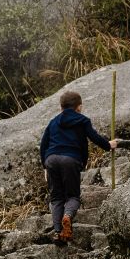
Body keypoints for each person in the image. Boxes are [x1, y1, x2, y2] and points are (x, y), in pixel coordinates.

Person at [39, 89, 117, 242]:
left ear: (61, 107)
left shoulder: (53, 121)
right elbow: (94, 137)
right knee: (73, 196)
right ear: (79, 107)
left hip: (51, 159)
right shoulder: (83, 120)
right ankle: (67, 216)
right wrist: (108, 145)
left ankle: (58, 233)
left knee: (56, 198)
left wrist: (45, 166)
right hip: (70, 159)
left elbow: (43, 145)